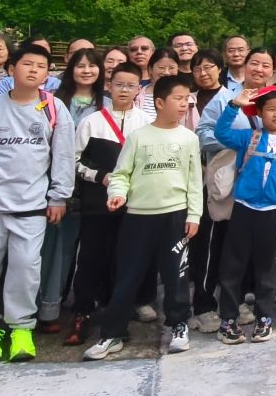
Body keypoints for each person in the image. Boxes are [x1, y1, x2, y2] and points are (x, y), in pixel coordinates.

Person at [0, 43, 76, 364]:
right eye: (27, 64)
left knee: (25, 269)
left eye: (41, 66)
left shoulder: (53, 109)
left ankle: (21, 328)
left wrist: (59, 196)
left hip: (32, 207)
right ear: (11, 70)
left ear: (48, 74)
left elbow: (63, 157)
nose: (33, 70)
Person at [84, 75, 201, 360]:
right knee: (128, 276)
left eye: (187, 99)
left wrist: (195, 215)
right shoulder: (138, 137)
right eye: (178, 98)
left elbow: (195, 181)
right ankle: (112, 333)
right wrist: (118, 193)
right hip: (138, 217)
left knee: (176, 276)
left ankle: (178, 325)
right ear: (159, 102)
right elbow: (121, 174)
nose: (184, 104)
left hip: (175, 217)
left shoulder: (189, 138)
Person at [209, 86, 276, 345]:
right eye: (271, 109)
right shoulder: (248, 137)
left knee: (267, 270)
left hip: (273, 214)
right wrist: (234, 106)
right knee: (232, 267)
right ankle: (228, 320)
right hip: (243, 210)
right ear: (259, 112)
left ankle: (264, 318)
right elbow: (221, 133)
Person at [66, 60, 139, 345]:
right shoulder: (91, 121)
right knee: (90, 257)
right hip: (96, 203)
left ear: (138, 89)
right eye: (119, 84)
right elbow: (75, 159)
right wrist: (100, 177)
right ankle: (81, 312)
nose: (124, 90)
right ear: (109, 86)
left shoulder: (146, 122)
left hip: (133, 204)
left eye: (130, 85)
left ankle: (117, 316)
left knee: (124, 259)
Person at [37, 48, 105, 331]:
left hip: (96, 186)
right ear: (70, 69)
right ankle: (48, 308)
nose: (86, 71)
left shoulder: (107, 103)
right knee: (56, 249)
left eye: (92, 66)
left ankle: (87, 306)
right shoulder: (52, 102)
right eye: (80, 65)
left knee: (92, 251)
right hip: (59, 184)